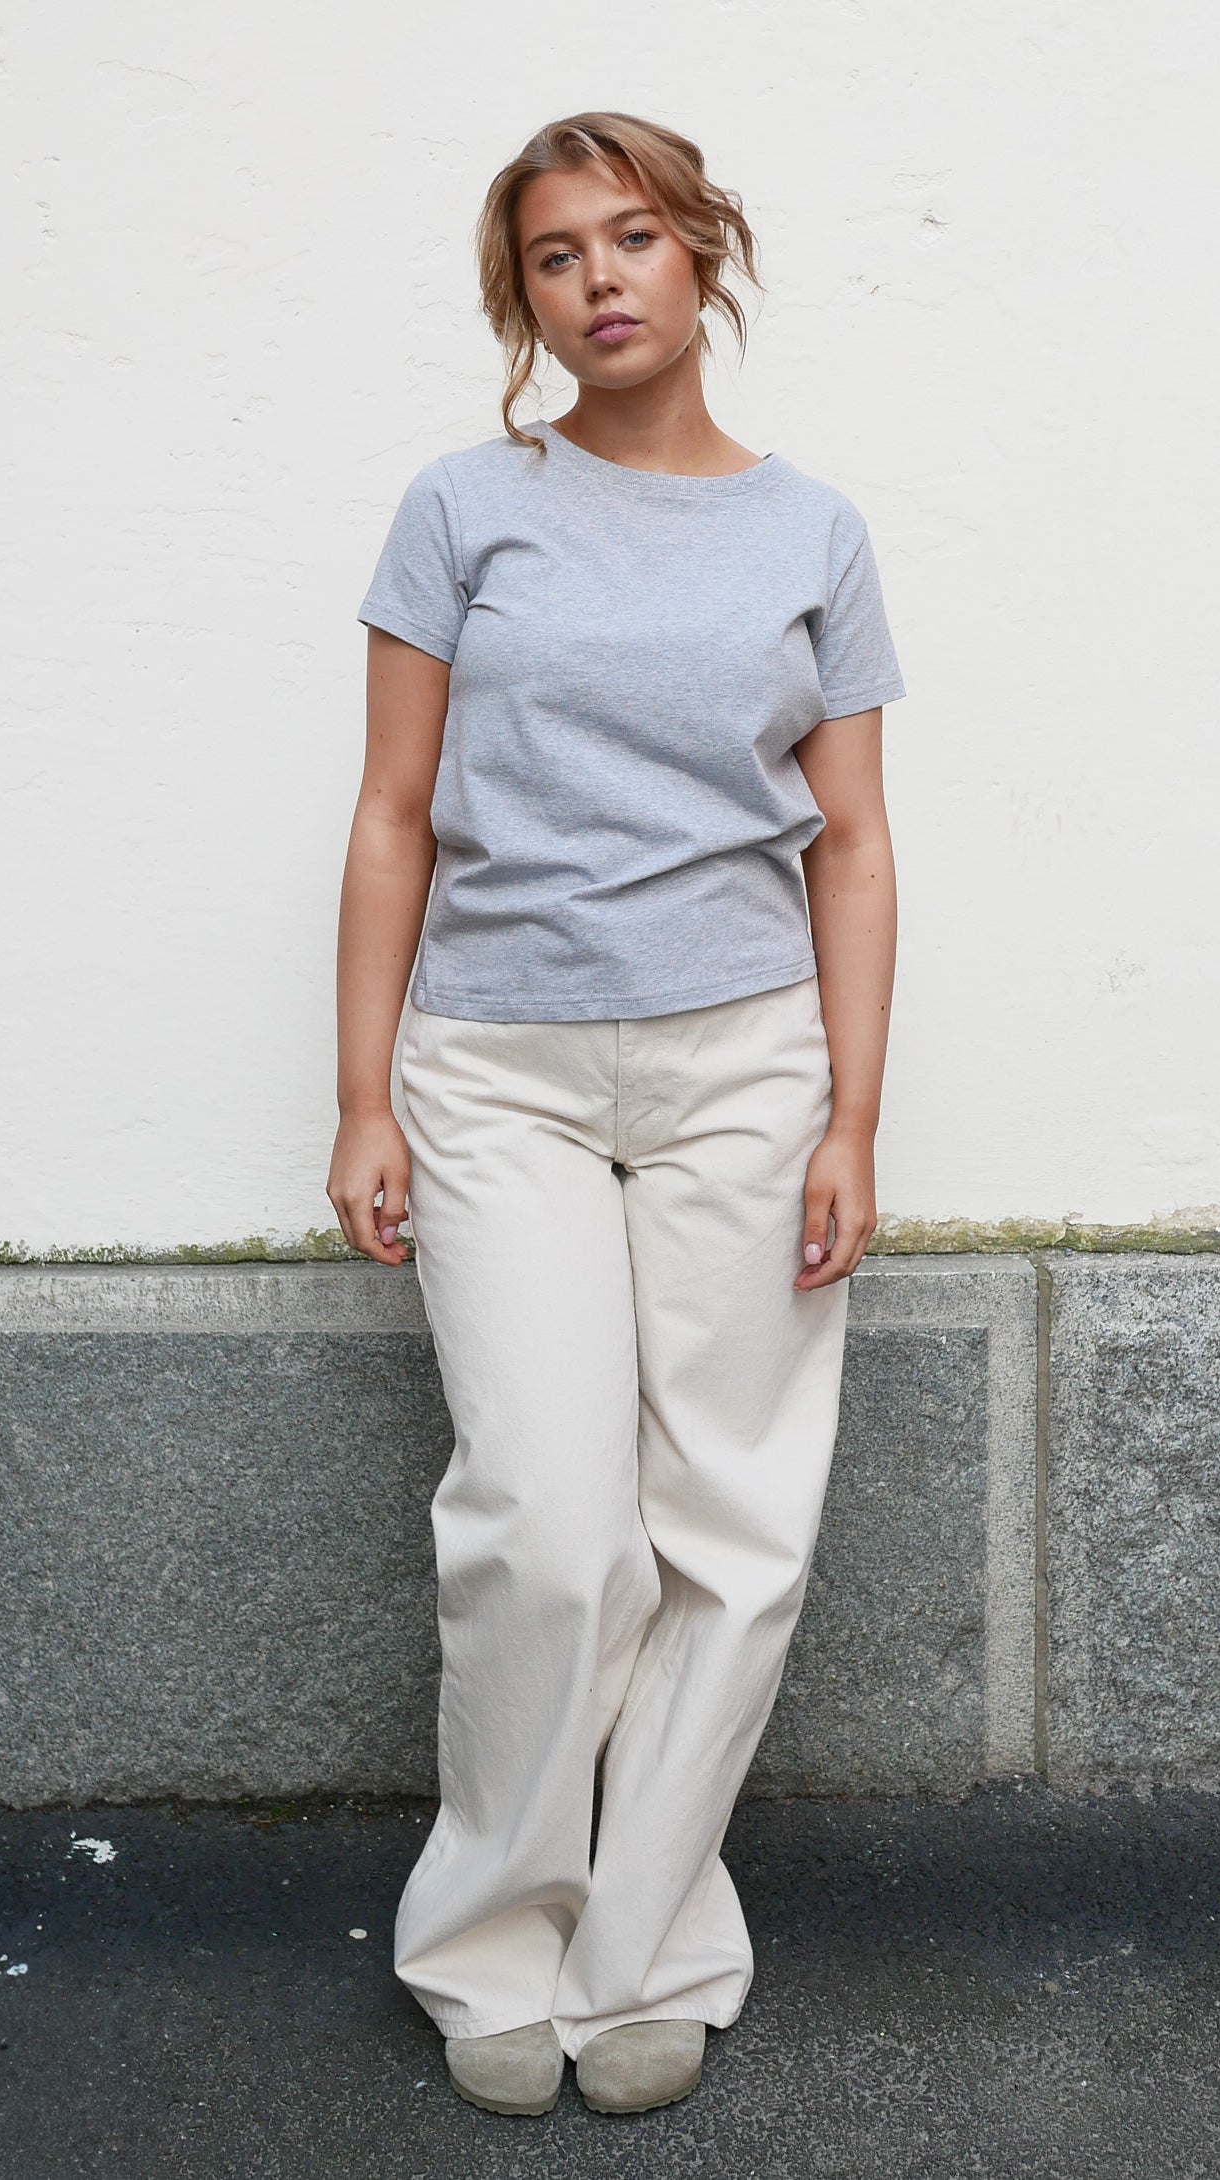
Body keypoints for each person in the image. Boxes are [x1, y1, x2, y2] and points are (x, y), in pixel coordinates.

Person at [326, 109, 906, 2120]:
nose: (600, 281)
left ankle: (649, 1941)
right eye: (556, 256)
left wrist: (850, 1116)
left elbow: (851, 841)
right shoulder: (462, 509)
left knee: (733, 1525)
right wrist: (362, 1097)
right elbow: (393, 814)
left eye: (632, 238)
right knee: (548, 1525)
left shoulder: (810, 531)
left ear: (699, 255)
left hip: (746, 1060)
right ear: (525, 300)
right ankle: (492, 1938)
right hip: (498, 1064)